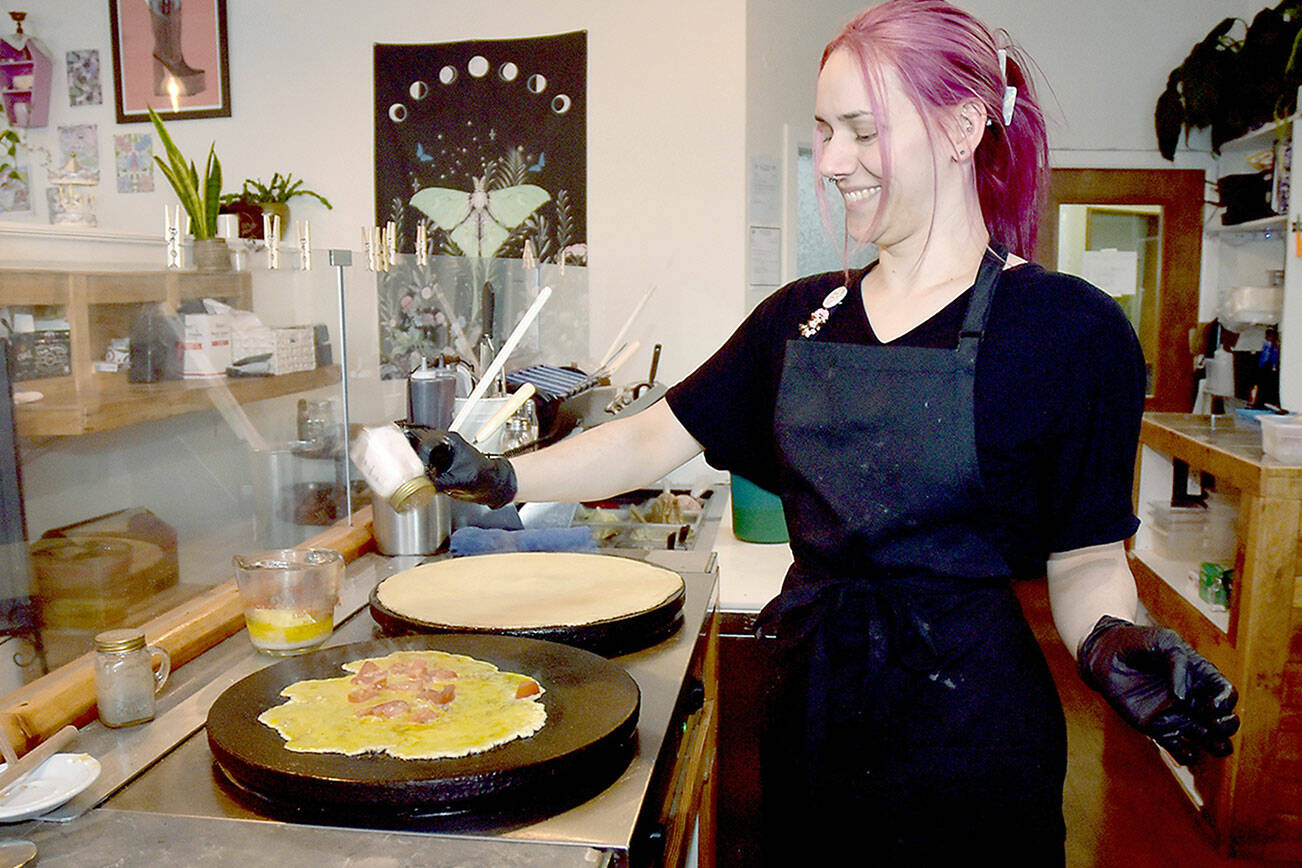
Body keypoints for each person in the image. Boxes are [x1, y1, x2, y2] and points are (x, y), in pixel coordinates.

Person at [399, 1, 1240, 862]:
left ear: (961, 127)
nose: (833, 162)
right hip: (812, 710)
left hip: (973, 739)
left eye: (862, 131)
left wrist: (1110, 638)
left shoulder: (1069, 330)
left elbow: (1088, 556)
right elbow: (654, 435)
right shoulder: (801, 320)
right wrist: (503, 476)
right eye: (824, 132)